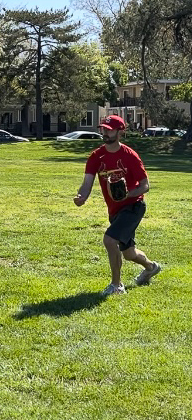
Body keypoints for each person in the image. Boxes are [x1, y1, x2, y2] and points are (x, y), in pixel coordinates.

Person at [74, 115, 161, 295]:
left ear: (120, 132)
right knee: (129, 253)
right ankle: (151, 267)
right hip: (115, 210)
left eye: (109, 129)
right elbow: (87, 182)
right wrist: (81, 196)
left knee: (109, 240)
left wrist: (128, 194)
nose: (105, 132)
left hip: (134, 206)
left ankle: (116, 286)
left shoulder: (130, 156)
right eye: (103, 129)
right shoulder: (96, 156)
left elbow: (145, 185)